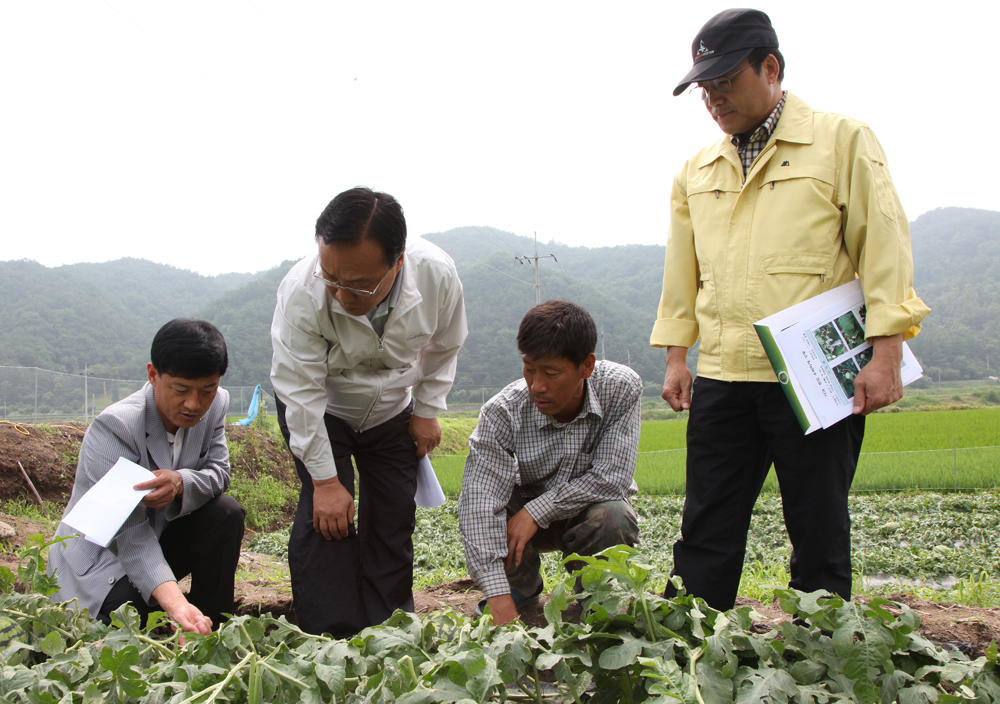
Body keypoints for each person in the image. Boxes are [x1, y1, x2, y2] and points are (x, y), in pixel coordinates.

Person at [650, 9, 930, 611]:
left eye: (724, 81)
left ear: (770, 68)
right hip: (725, 375)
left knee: (818, 524)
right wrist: (677, 354)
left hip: (813, 377)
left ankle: (821, 655)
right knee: (707, 526)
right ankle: (691, 656)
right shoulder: (697, 170)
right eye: (704, 87)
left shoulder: (842, 140)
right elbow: (682, 270)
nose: (713, 98)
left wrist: (886, 351)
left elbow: (882, 246)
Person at [271, 186, 467, 638]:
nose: (341, 294)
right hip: (324, 409)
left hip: (393, 408)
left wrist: (427, 410)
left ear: (398, 262)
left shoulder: (436, 275)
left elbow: (446, 345)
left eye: (358, 284)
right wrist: (325, 481)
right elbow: (300, 394)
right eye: (331, 277)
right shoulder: (301, 293)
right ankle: (329, 638)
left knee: (393, 518)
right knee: (329, 520)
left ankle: (388, 632)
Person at [49, 319, 244, 634]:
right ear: (153, 375)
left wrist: (180, 482)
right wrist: (176, 603)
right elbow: (129, 534)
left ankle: (209, 633)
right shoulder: (116, 428)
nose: (194, 404)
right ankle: (181, 617)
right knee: (129, 617)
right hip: (104, 558)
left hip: (157, 537)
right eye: (181, 390)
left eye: (206, 390)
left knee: (226, 513)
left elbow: (219, 473)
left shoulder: (216, 404)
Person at [459, 301, 641, 625]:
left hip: (587, 513)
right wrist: (496, 590)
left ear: (586, 366)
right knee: (491, 508)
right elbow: (479, 501)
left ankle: (597, 597)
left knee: (614, 515)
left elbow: (612, 477)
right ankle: (517, 588)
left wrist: (538, 511)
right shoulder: (503, 411)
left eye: (551, 372)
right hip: (524, 518)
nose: (537, 385)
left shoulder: (620, 388)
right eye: (529, 368)